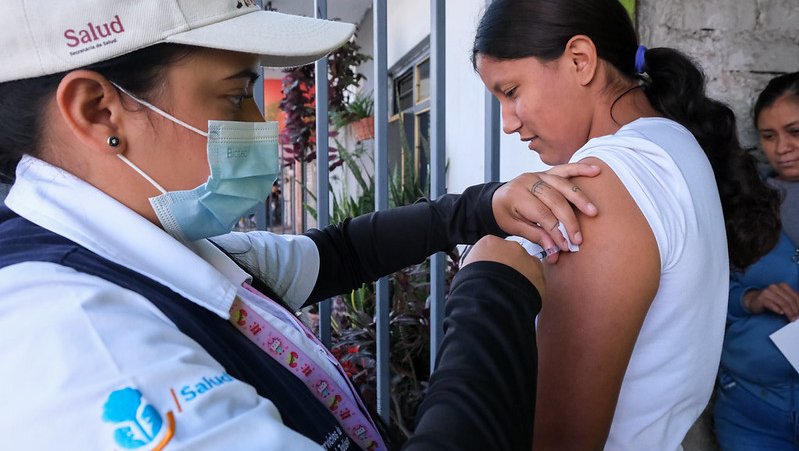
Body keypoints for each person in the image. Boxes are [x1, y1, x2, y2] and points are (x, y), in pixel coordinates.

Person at [0, 1, 601, 450]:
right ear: (99, 111)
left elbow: (337, 254)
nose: (260, 123)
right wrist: (493, 293)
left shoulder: (156, 245)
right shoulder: (78, 346)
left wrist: (482, 208)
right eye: (235, 95)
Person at [471, 0, 781, 449]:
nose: (507, 122)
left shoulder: (598, 184)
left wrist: (483, 282)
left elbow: (561, 439)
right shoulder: (674, 141)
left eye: (512, 91)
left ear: (580, 60)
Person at [714, 71, 799, 451]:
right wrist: (751, 299)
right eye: (769, 136)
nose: (782, 148)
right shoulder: (745, 206)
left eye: (795, 131)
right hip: (750, 410)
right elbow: (708, 296)